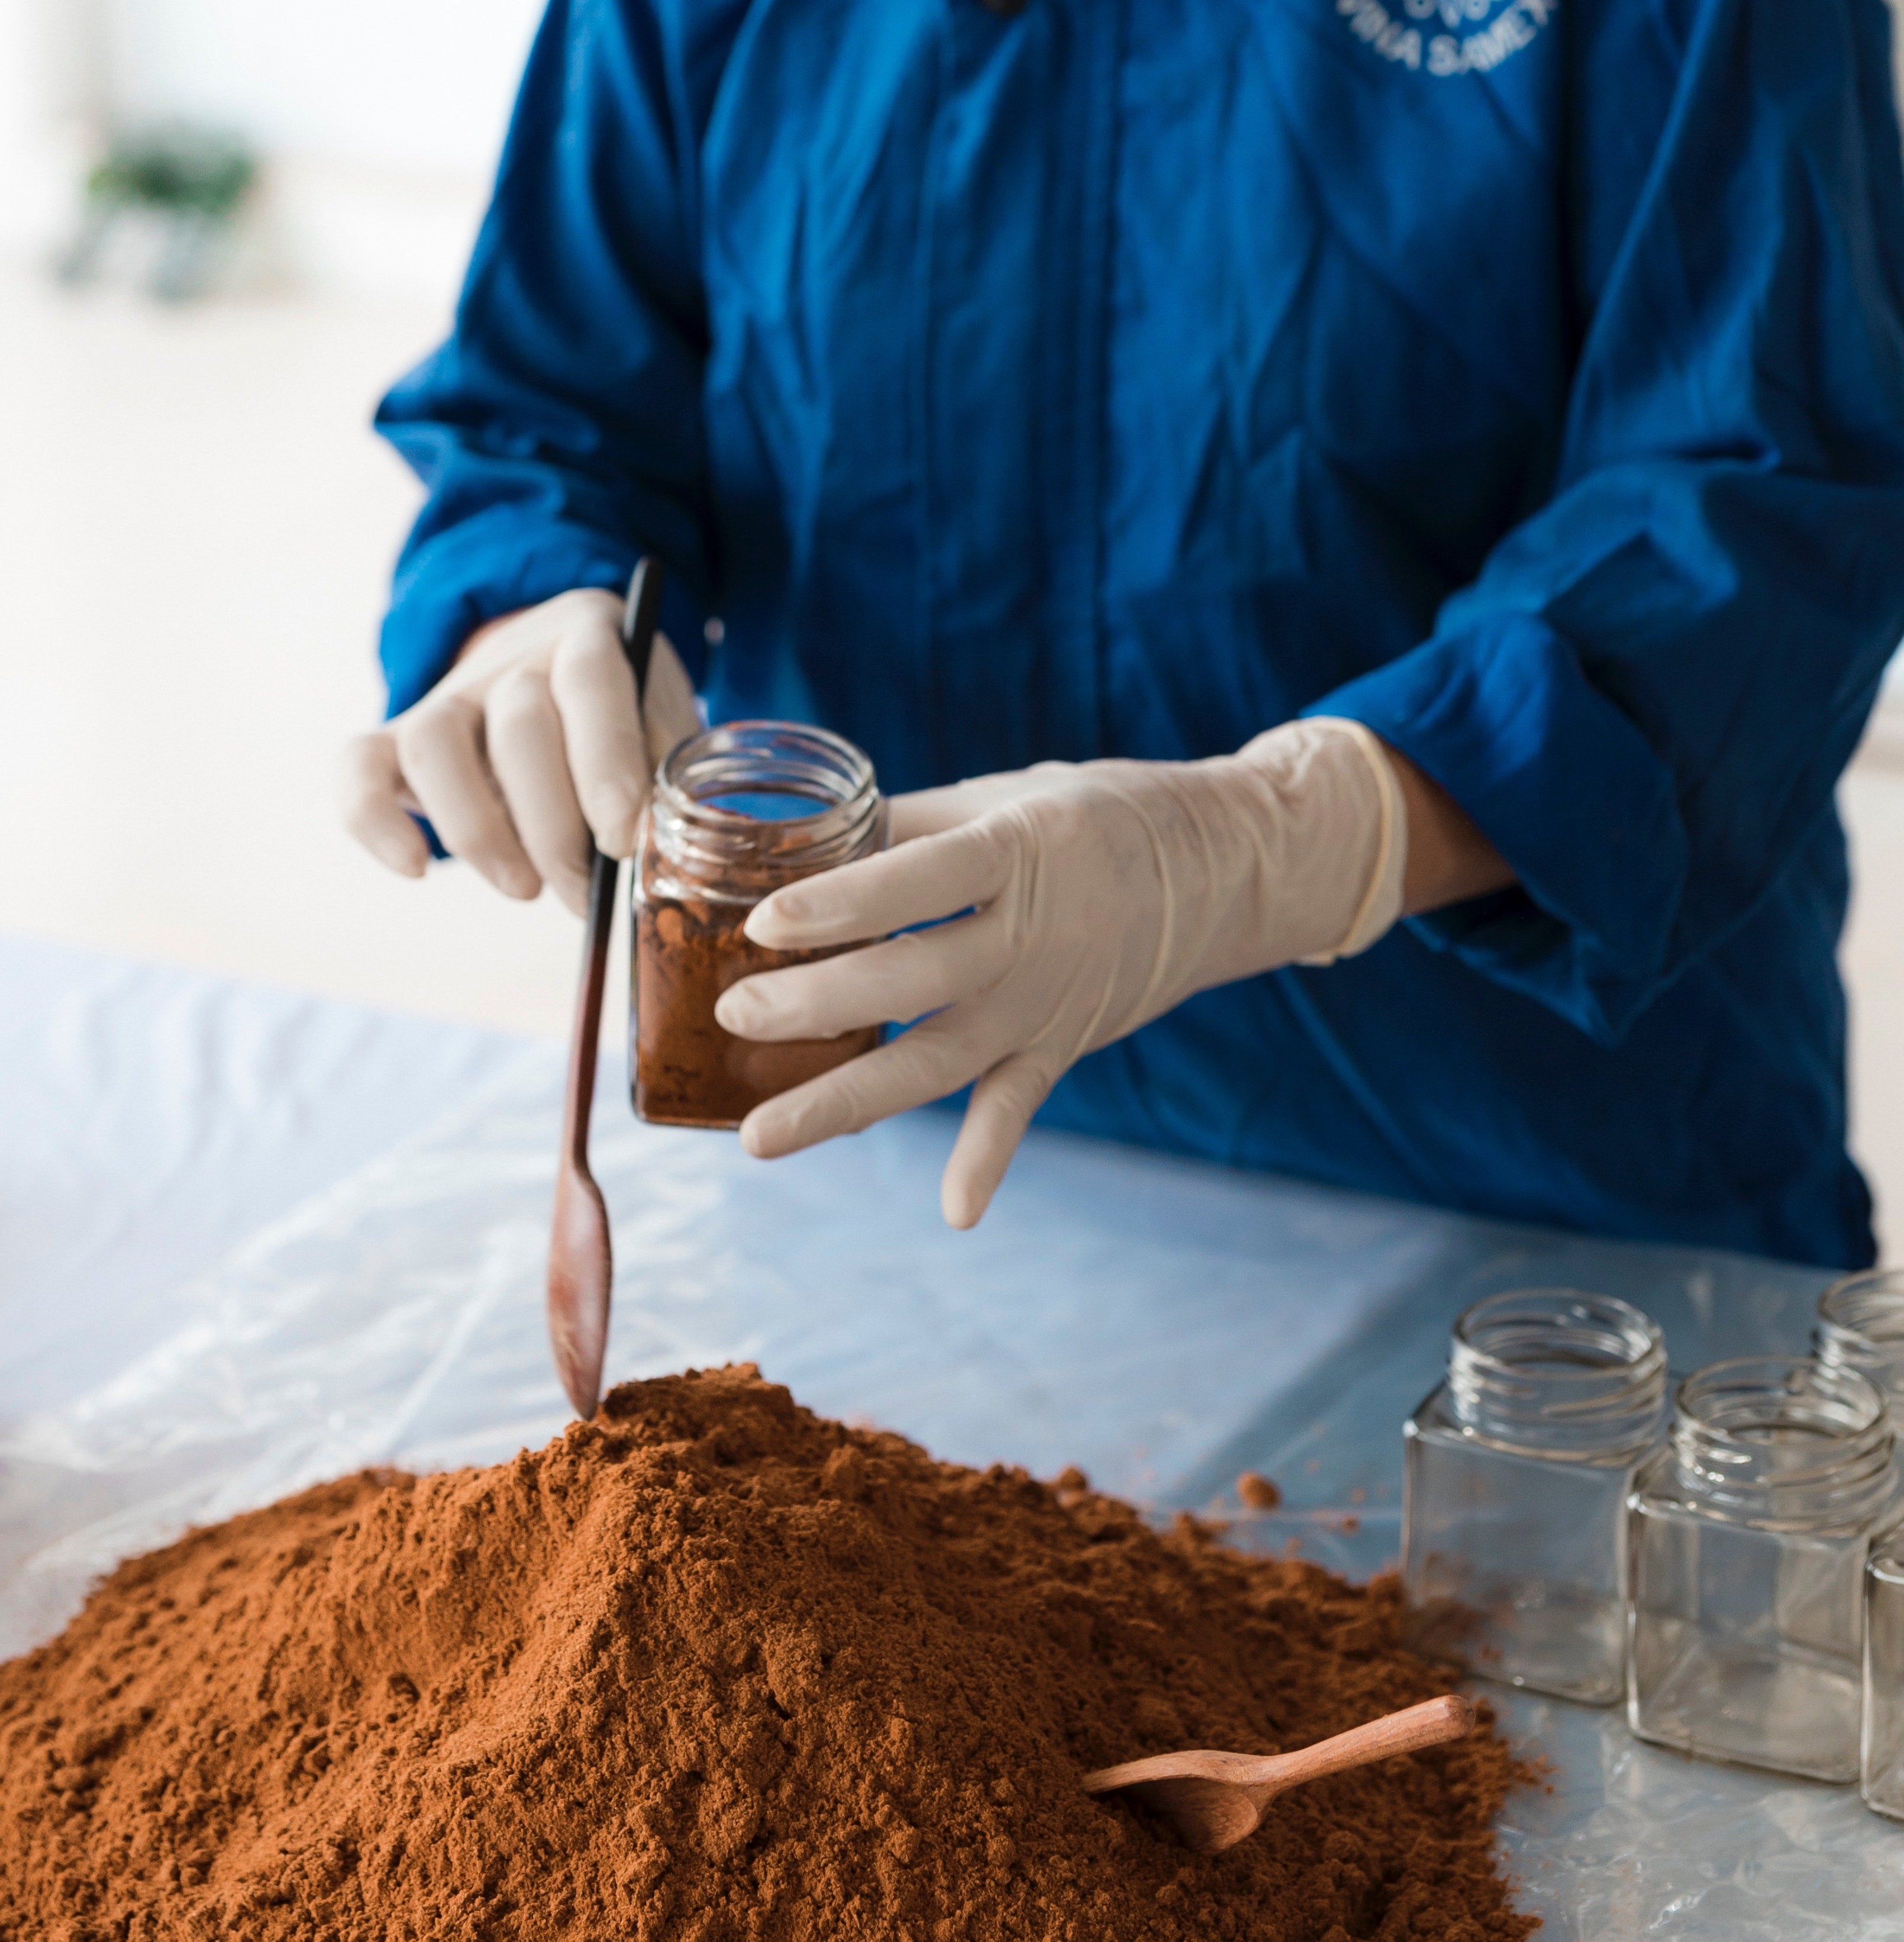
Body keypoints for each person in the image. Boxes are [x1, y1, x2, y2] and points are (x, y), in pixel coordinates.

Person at [341, 0, 1904, 1267]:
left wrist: (1294, 837)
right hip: (885, 1161)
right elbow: (557, 388)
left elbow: (1752, 486)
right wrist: (531, 605)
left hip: (1520, 1193)